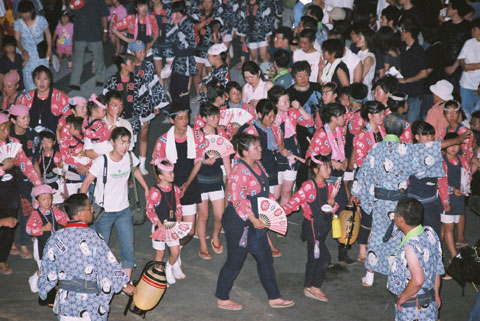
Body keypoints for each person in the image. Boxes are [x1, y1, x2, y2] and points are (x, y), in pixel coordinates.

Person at [351, 113, 467, 286]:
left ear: (385, 128)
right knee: (400, 239)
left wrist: (356, 192)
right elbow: (431, 148)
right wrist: (456, 140)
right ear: (401, 131)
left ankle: (369, 275)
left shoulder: (375, 148)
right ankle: (396, 276)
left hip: (380, 201)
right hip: (399, 203)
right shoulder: (405, 150)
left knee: (376, 235)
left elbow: (364, 173)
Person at [215, 133, 294, 311]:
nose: (260, 150)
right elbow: (237, 200)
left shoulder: (258, 165)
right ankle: (222, 297)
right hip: (239, 222)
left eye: (259, 146)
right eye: (255, 147)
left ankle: (274, 297)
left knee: (265, 257)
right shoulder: (237, 172)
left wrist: (275, 206)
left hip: (256, 219)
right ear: (244, 151)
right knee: (235, 261)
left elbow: (265, 192)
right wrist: (253, 219)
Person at [38, 193, 136, 320]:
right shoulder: (93, 238)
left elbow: (47, 269)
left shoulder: (56, 238)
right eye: (90, 207)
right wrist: (124, 285)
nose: (93, 210)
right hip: (91, 306)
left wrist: (45, 293)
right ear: (80, 213)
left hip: (66, 305)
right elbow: (108, 267)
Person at [80, 127, 149, 279]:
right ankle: (99, 278)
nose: (125, 146)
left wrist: (146, 188)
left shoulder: (130, 157)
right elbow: (86, 183)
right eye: (121, 142)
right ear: (112, 142)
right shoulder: (101, 161)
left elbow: (135, 171)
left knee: (128, 246)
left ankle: (126, 281)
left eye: (128, 143)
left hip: (124, 210)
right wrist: (81, 208)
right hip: (104, 212)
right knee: (101, 248)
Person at [283, 154, 338, 302]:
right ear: (315, 169)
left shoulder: (329, 186)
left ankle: (309, 286)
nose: (329, 170)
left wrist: (332, 203)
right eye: (325, 167)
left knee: (315, 257)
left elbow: (334, 207)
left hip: (323, 226)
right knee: (322, 257)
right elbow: (294, 203)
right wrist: (279, 213)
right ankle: (313, 287)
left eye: (329, 166)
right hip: (312, 226)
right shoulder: (308, 186)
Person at [387, 197, 444, 321]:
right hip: (429, 302)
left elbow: (418, 280)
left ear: (401, 220)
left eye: (395, 213)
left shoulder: (410, 246)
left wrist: (403, 297)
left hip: (414, 308)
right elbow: (437, 268)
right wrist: (436, 293)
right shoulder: (430, 233)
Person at [0, 112, 41, 275]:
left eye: (6, 130)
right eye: (2, 130)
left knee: (10, 224)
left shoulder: (14, 143)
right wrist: (4, 168)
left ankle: (2, 260)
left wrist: (38, 185)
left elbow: (26, 165)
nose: (5, 133)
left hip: (10, 190)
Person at [195, 104, 231, 259]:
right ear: (204, 119)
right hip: (200, 180)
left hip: (216, 179)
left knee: (220, 215)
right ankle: (203, 244)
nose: (216, 120)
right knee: (203, 215)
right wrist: (203, 161)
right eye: (212, 117)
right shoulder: (196, 135)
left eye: (217, 116)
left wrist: (230, 177)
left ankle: (215, 236)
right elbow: (191, 158)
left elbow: (226, 156)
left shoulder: (221, 133)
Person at [146, 159, 184, 285]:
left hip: (172, 226)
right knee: (159, 253)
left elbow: (178, 205)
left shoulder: (176, 189)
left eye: (172, 172)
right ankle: (159, 277)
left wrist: (179, 217)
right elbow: (149, 209)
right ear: (161, 176)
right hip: (160, 227)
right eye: (169, 173)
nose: (173, 175)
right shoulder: (155, 191)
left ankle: (169, 267)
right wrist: (157, 222)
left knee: (175, 251)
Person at [408, 121, 449, 238]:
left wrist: (445, 199)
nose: (430, 138)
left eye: (432, 135)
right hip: (416, 200)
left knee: (433, 231)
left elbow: (441, 179)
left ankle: (435, 254)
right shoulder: (412, 151)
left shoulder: (435, 153)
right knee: (415, 231)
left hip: (431, 200)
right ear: (417, 137)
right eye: (426, 135)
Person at [441, 132, 473, 260]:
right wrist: (452, 189)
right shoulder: (441, 161)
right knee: (449, 227)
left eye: (456, 144)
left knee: (449, 226)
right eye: (451, 144)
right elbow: (440, 181)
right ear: (445, 146)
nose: (454, 147)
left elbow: (467, 174)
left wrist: (465, 187)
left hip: (458, 198)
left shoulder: (461, 159)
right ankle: (454, 257)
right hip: (446, 198)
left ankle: (440, 250)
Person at [17, 65, 70, 135]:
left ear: (50, 80)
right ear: (34, 80)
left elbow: (68, 117)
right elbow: (17, 116)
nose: (42, 82)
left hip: (53, 136)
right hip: (31, 136)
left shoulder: (60, 96)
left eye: (45, 79)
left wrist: (59, 130)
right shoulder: (27, 97)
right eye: (38, 79)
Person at [69, 0, 109, 90]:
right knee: (77, 58)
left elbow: (104, 16)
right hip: (80, 32)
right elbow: (71, 13)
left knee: (98, 57)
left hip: (95, 32)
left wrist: (105, 31)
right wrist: (70, 7)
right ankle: (74, 81)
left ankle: (100, 78)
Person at [13, 0, 52, 91]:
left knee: (42, 76)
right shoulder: (18, 23)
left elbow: (48, 35)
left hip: (40, 52)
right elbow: (17, 40)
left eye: (26, 13)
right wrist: (23, 50)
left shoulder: (41, 20)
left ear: (31, 11)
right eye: (22, 13)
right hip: (27, 54)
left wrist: (49, 49)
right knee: (29, 78)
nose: (24, 15)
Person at [166, 0, 197, 108]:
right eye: (174, 12)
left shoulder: (188, 23)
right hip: (178, 61)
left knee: (181, 91)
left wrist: (177, 28)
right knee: (173, 89)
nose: (176, 15)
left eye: (178, 12)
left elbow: (192, 45)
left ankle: (185, 115)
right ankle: (177, 113)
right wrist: (175, 25)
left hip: (185, 62)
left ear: (184, 11)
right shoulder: (178, 23)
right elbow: (169, 37)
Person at [398, 15, 428, 123]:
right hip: (404, 92)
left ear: (407, 33)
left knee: (411, 122)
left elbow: (424, 73)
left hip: (414, 93)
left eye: (402, 30)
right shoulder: (403, 48)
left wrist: (406, 80)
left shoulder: (418, 51)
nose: (400, 33)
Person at [458, 18, 480, 116]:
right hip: (466, 84)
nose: (472, 31)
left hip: (478, 85)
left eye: (474, 28)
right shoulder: (469, 42)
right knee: (466, 113)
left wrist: (472, 66)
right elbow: (462, 62)